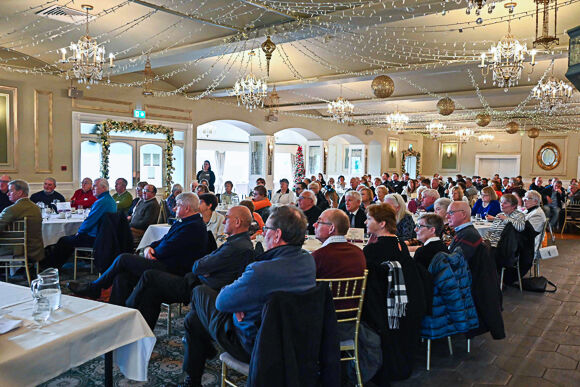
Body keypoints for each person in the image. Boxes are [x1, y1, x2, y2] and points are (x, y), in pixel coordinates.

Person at [180, 205, 316, 387]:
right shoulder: (308, 261)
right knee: (194, 321)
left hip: (253, 345)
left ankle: (194, 375)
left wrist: (238, 303)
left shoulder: (261, 270)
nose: (262, 234)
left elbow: (221, 302)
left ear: (276, 235)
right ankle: (194, 374)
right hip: (292, 342)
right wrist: (242, 302)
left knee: (199, 292)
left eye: (266, 229)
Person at [125, 205, 255, 330]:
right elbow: (203, 265)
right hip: (199, 281)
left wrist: (205, 268)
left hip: (198, 288)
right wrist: (206, 268)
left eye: (227, 218)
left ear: (237, 222)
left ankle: (126, 314)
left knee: (149, 276)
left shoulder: (234, 247)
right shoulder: (239, 243)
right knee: (151, 293)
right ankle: (143, 335)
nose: (223, 222)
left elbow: (198, 266)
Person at [68, 192, 209, 305]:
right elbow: (162, 241)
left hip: (173, 270)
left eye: (177, 206)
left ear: (187, 208)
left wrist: (153, 250)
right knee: (122, 276)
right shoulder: (185, 222)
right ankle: (117, 312)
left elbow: (165, 248)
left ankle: (94, 288)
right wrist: (148, 247)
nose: (173, 208)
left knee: (124, 259)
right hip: (165, 263)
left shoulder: (193, 227)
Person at [42, 178, 117, 269]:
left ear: (104, 188)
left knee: (64, 240)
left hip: (96, 237)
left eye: (95, 186)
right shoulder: (109, 200)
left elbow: (90, 220)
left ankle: (50, 266)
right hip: (103, 235)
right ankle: (53, 265)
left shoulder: (101, 202)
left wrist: (80, 232)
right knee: (67, 240)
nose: (93, 188)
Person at [0, 180, 44, 264]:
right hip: (36, 248)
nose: (7, 194)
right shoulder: (36, 208)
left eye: (10, 191)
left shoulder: (12, 209)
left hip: (18, 249)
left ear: (20, 192)